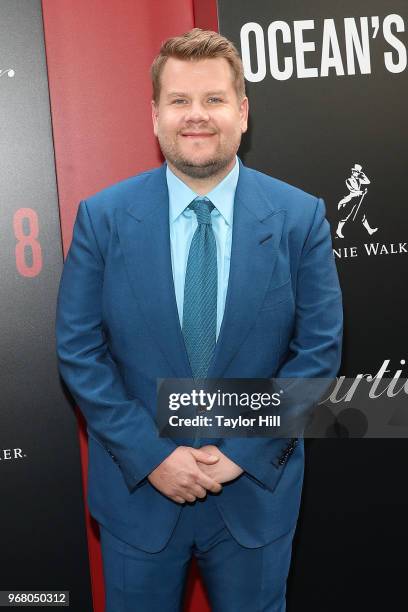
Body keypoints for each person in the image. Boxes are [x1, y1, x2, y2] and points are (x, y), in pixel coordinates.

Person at [56, 28, 343, 612]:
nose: (197, 116)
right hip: (140, 496)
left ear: (242, 111)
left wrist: (242, 451)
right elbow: (80, 352)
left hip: (256, 494)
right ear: (155, 113)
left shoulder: (299, 218)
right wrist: (152, 456)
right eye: (180, 101)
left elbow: (317, 352)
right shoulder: (103, 219)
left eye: (213, 99)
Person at [335, 163, 377, 238]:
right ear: (352, 172)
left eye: (357, 172)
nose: (355, 173)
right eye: (354, 171)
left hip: (358, 199)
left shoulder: (359, 180)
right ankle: (338, 230)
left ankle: (369, 230)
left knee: (362, 215)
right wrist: (362, 192)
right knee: (345, 215)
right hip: (351, 199)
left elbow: (368, 182)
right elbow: (353, 191)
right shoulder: (348, 180)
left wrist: (362, 174)